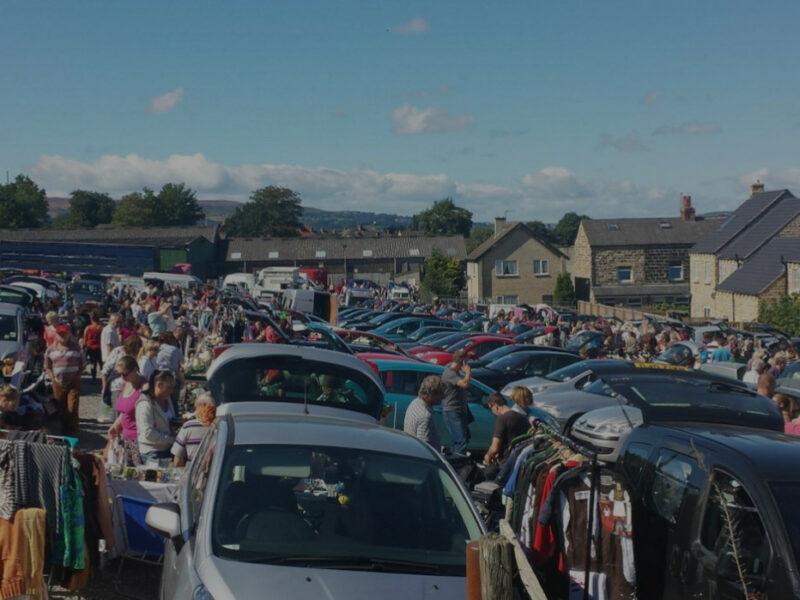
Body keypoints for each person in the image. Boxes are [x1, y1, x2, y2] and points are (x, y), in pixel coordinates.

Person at [44, 324, 85, 436]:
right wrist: (53, 378)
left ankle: (73, 432)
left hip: (73, 383)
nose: (62, 336)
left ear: (69, 335)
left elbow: (82, 365)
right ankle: (63, 430)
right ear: (56, 335)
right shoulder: (50, 350)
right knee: (60, 408)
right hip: (58, 383)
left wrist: (77, 376)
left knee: (72, 407)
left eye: (64, 334)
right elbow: (47, 366)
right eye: (60, 334)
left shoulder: (76, 348)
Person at [107, 356, 147, 465]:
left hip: (137, 440)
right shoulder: (125, 384)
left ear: (135, 370)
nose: (122, 377)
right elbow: (125, 411)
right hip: (124, 438)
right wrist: (115, 425)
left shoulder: (144, 387)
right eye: (120, 374)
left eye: (125, 374)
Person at [136, 370, 177, 462]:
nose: (172, 391)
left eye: (173, 387)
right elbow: (148, 433)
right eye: (169, 387)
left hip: (168, 449)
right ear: (159, 385)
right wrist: (171, 439)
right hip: (152, 452)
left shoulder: (167, 399)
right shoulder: (145, 404)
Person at [483, 390, 531, 467]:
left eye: (490, 408)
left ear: (495, 405)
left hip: (507, 461)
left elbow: (494, 447)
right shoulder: (521, 416)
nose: (492, 411)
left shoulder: (502, 419)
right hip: (521, 458)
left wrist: (487, 457)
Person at [441, 350, 472, 456]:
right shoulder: (450, 373)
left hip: (459, 410)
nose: (467, 364)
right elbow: (464, 384)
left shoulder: (456, 371)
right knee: (460, 441)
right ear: (462, 361)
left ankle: (452, 456)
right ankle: (458, 462)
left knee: (460, 439)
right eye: (466, 362)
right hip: (452, 410)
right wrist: (468, 372)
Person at [172, 393, 216, 467]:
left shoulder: (188, 426)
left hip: (191, 474)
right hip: (215, 474)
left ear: (199, 407)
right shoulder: (220, 427)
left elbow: (178, 461)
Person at [403, 375, 445, 448]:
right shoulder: (425, 416)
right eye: (441, 394)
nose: (443, 397)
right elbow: (423, 448)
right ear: (432, 394)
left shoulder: (415, 402)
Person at [82, 311, 103, 380]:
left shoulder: (88, 328)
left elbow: (85, 339)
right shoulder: (101, 328)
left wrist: (84, 347)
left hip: (90, 348)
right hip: (99, 348)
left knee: (92, 363)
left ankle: (93, 378)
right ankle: (103, 377)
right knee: (101, 363)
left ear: (91, 319)